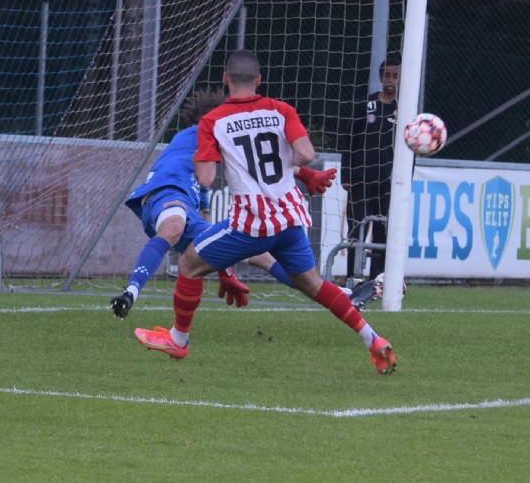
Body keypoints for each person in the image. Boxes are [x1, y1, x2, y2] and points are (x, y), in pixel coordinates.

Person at [133, 50, 396, 374]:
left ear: (226, 79)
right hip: (290, 220)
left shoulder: (213, 122)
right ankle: (373, 339)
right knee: (315, 285)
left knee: (188, 263)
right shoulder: (280, 110)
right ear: (258, 80)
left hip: (250, 226)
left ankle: (178, 340)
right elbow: (305, 153)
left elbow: (206, 178)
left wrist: (213, 157)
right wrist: (292, 168)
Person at [111, 88, 334, 318]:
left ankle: (341, 295)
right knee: (174, 226)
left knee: (262, 255)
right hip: (165, 192)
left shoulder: (203, 157)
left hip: (184, 206)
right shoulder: (202, 132)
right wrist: (306, 174)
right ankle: (130, 293)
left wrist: (225, 271)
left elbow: (206, 212)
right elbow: (259, 158)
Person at [343, 56, 400, 304]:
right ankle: (352, 281)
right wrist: (347, 173)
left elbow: (408, 149)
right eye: (387, 75)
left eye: (395, 76)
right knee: (356, 231)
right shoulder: (364, 105)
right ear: (380, 77)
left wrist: (404, 181)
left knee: (383, 233)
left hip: (388, 183)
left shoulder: (403, 110)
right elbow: (349, 140)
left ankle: (378, 282)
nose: (390, 81)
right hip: (360, 179)